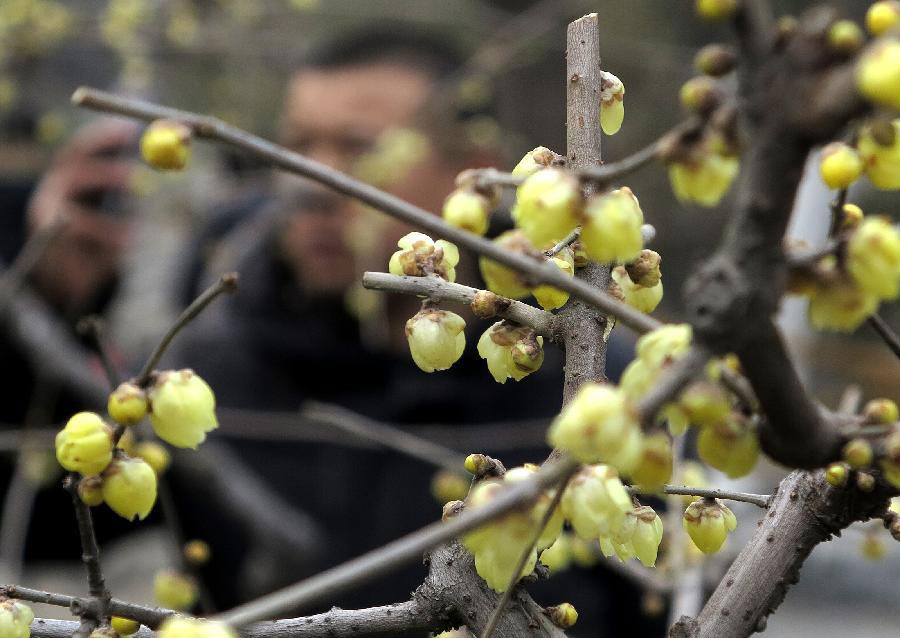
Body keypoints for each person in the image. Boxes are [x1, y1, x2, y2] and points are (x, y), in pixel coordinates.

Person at [168, 28, 653, 637]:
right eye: (296, 145)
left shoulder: (591, 384)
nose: (311, 184)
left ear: (472, 165)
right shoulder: (218, 363)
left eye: (358, 148)